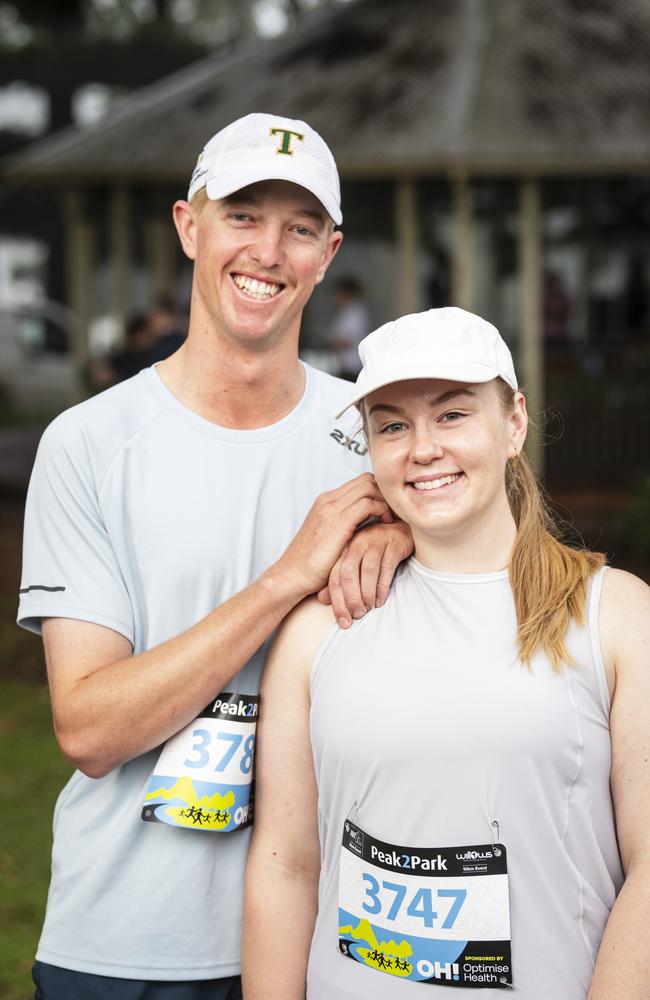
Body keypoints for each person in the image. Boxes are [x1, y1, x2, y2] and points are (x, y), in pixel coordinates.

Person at [18, 113, 413, 999]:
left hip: (329, 944)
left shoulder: (382, 438)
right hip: (124, 945)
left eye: (300, 228)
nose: (268, 251)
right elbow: (89, 728)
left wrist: (408, 534)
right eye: (241, 215)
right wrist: (287, 579)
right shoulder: (89, 443)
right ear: (188, 226)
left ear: (329, 251)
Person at [243, 306, 650, 999]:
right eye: (393, 424)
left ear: (514, 423)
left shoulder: (614, 615)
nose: (422, 448)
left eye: (454, 415)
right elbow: (286, 866)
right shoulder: (319, 629)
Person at [328, 276, 371, 381]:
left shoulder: (355, 312)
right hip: (344, 365)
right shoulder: (348, 311)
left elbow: (348, 341)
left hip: (352, 367)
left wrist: (332, 342)